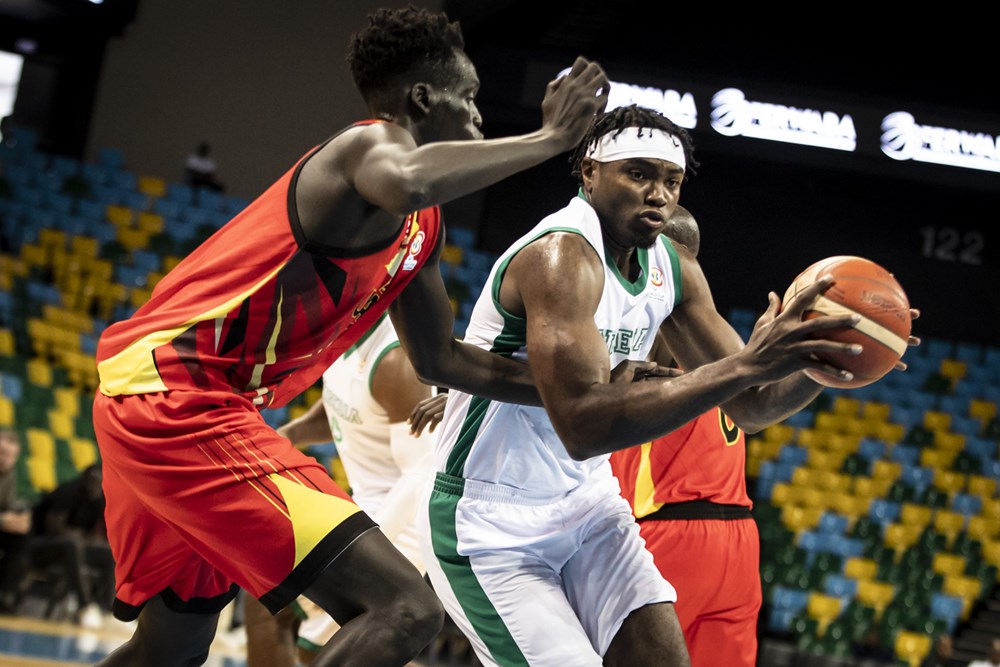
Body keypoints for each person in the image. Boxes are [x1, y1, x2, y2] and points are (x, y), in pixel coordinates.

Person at [92, 5, 610, 666]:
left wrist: (578, 391)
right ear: (423, 98)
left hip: (165, 399)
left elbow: (445, 360)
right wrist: (546, 140)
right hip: (179, 396)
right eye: (470, 98)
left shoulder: (421, 226)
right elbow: (410, 178)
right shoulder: (369, 146)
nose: (480, 115)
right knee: (404, 607)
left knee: (173, 643)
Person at [421, 103, 919, 667]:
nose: (658, 193)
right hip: (492, 518)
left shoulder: (673, 268)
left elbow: (751, 408)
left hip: (589, 506)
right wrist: (749, 364)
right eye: (639, 174)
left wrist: (822, 356)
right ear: (589, 172)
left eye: (671, 180)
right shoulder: (560, 257)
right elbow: (584, 423)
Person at [243, 312, 446, 667]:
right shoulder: (340, 338)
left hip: (402, 519)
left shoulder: (395, 362)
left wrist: (359, 540)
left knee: (274, 605)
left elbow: (420, 474)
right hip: (365, 507)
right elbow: (344, 404)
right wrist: (290, 435)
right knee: (313, 644)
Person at [608, 205, 760, 667]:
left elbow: (580, 383)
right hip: (738, 541)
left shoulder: (656, 316)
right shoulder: (720, 335)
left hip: (667, 529)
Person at [28, 463, 116, 626]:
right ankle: (85, 606)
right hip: (38, 546)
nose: (96, 485)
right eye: (93, 480)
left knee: (108, 553)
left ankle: (108, 610)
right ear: (84, 479)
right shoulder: (67, 491)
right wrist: (76, 536)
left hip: (73, 548)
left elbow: (92, 535)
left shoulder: (100, 500)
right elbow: (52, 527)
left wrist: (80, 537)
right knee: (72, 544)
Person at [0, 429, 30, 614]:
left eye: (10, 456)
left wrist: (20, 518)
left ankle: (7, 595)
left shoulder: (9, 475)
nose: (5, 459)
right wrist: (4, 520)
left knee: (21, 537)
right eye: (2, 452)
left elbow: (9, 504)